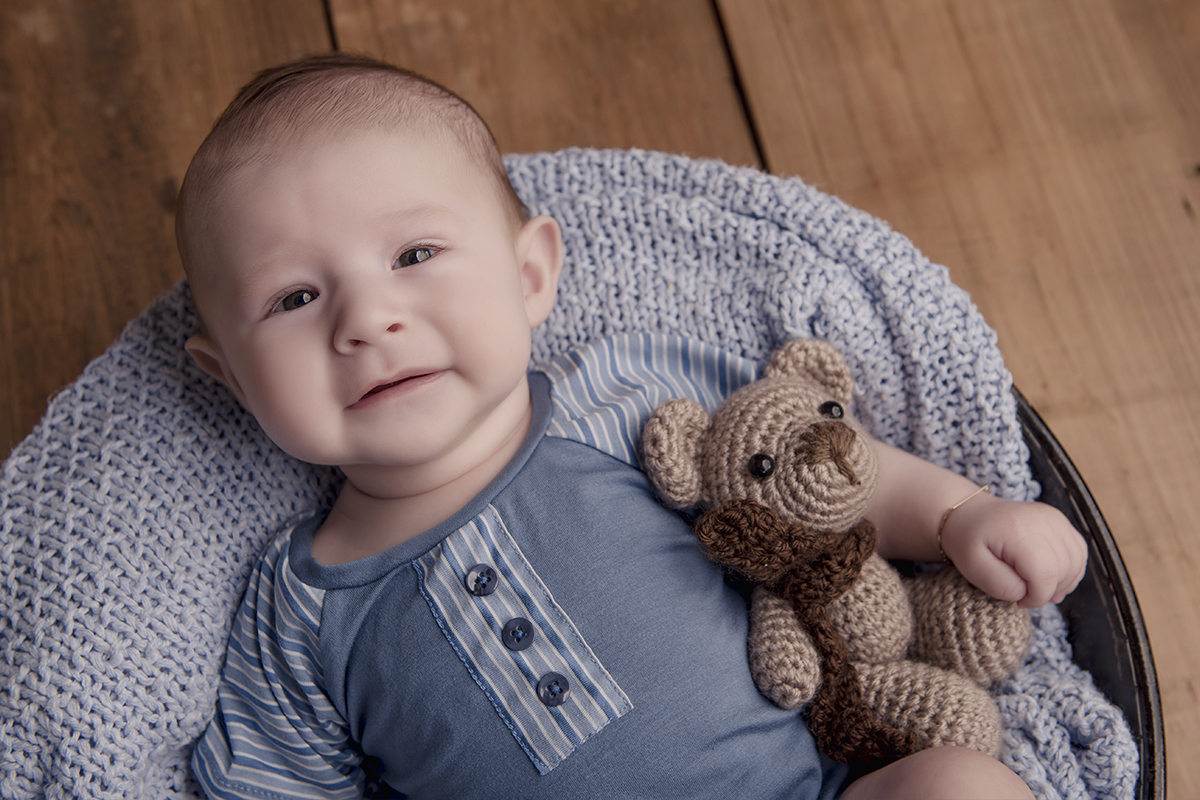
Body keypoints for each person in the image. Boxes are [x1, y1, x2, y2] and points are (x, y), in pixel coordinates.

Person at [178, 53, 1086, 800]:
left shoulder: (621, 408)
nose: (366, 320)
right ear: (232, 377)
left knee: (964, 786)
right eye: (295, 297)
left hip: (811, 790)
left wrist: (958, 516)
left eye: (415, 254)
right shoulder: (298, 612)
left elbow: (810, 475)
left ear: (530, 276)